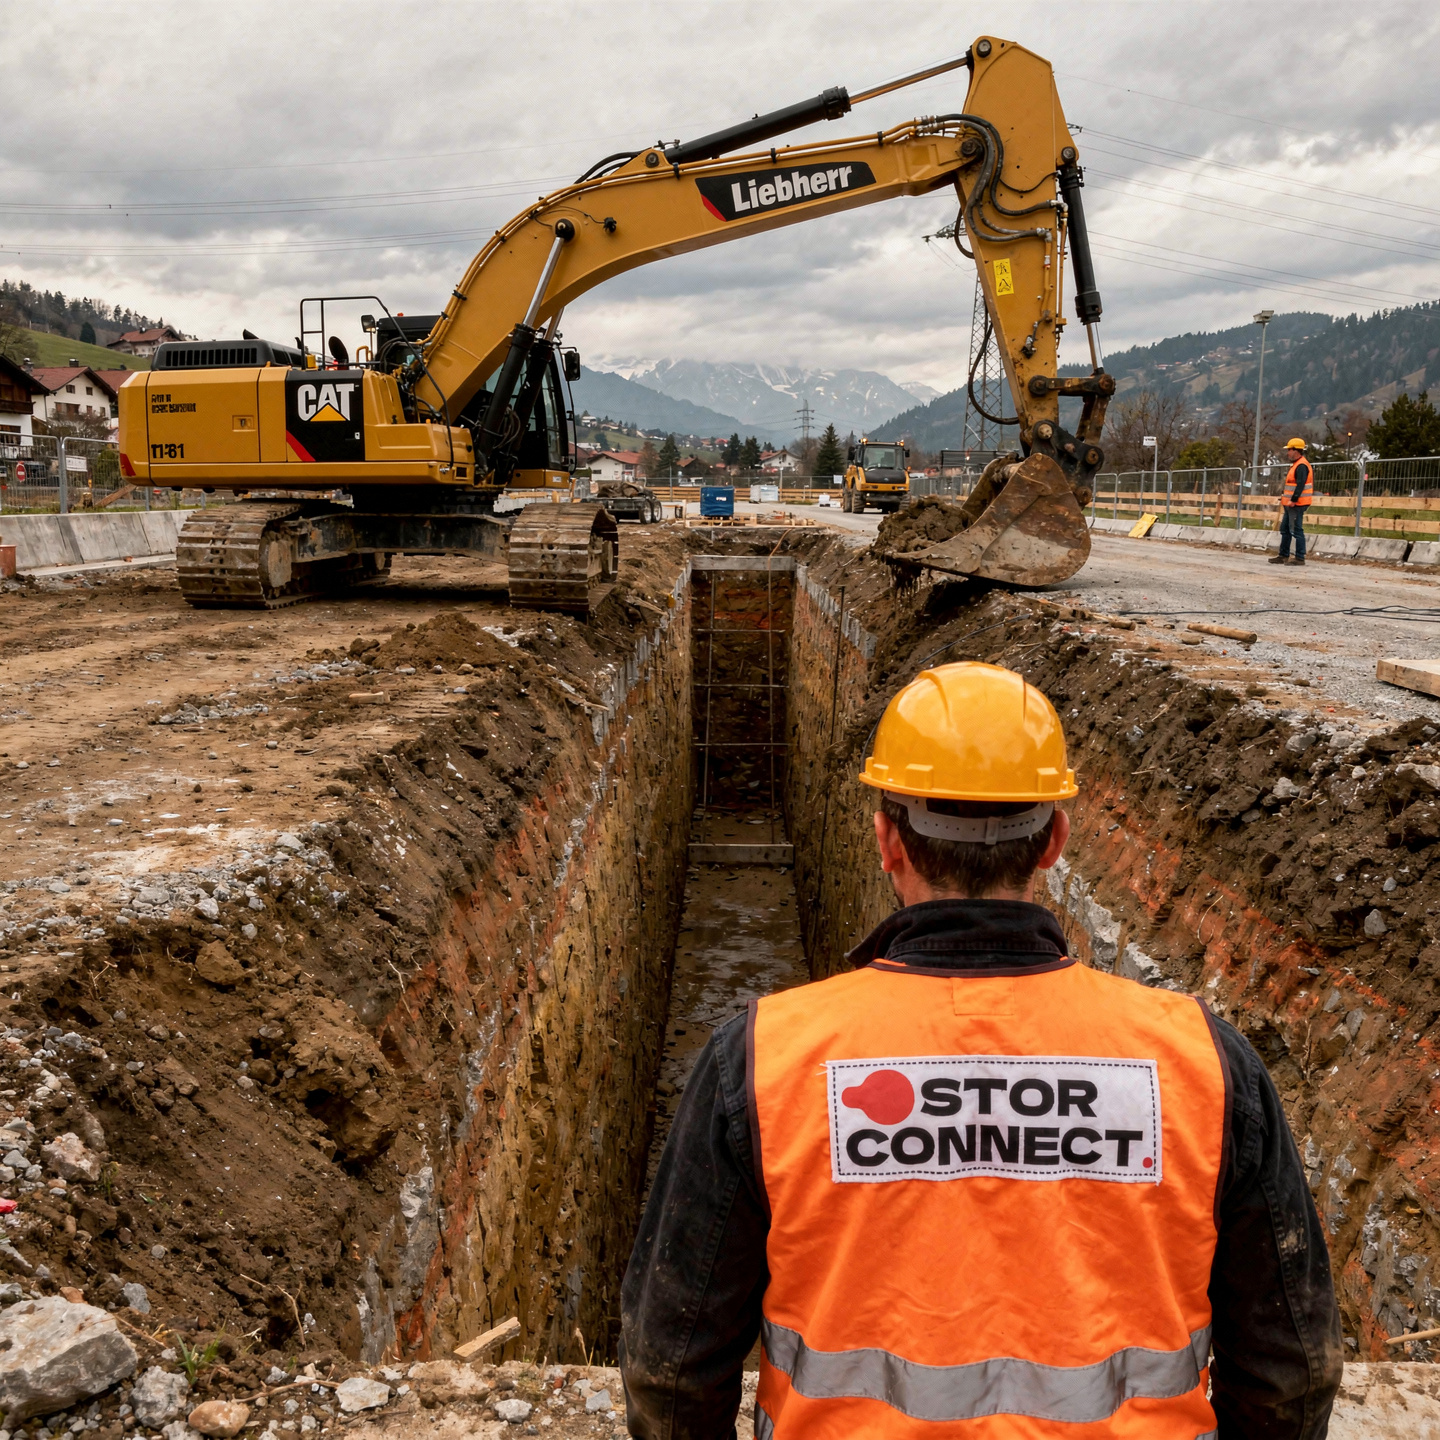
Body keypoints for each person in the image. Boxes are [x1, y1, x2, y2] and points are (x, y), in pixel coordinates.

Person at [621, 661, 1342, 1439]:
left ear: (886, 838)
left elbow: (671, 1372)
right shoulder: (1202, 1062)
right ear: (1054, 840)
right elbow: (1289, 1372)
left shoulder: (765, 1061)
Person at [1270, 437, 1314, 565]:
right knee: (1285, 529)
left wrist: (1294, 500)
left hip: (1297, 504)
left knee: (1296, 529)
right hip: (1291, 504)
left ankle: (1300, 557)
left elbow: (1300, 485)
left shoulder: (1301, 465)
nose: (1288, 452)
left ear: (1297, 450)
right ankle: (1283, 555)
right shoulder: (1296, 464)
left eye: (1290, 449)